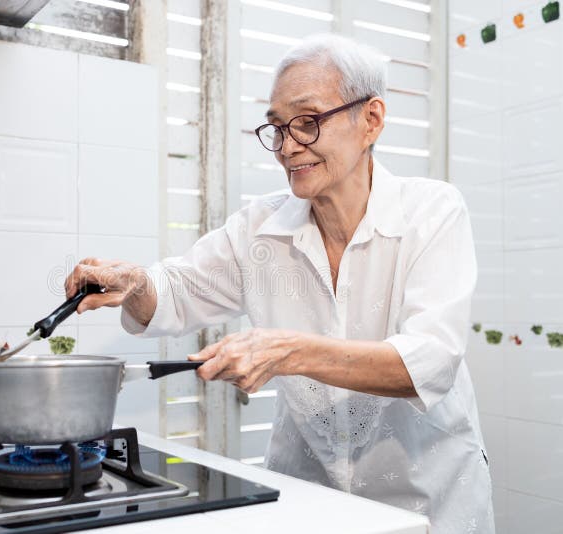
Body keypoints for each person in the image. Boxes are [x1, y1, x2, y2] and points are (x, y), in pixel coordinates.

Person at [64, 33, 494, 533]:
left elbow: (430, 361)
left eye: (308, 123)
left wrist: (287, 352)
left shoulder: (432, 212)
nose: (288, 147)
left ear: (370, 120)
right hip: (308, 502)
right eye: (276, 127)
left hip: (427, 505)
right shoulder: (260, 228)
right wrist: (137, 283)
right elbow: (177, 291)